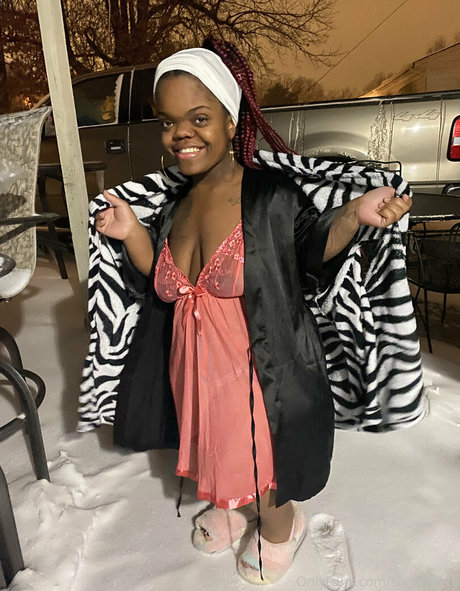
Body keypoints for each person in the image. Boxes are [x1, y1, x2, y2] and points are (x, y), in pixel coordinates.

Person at [93, 38, 412, 585]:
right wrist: (132, 235)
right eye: (168, 122)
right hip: (195, 372)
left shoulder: (269, 195)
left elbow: (311, 249)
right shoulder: (176, 204)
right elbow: (166, 283)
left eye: (198, 118)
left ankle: (281, 528)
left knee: (263, 465)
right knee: (211, 451)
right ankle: (229, 504)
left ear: (230, 118)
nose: (181, 134)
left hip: (257, 374)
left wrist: (353, 215)